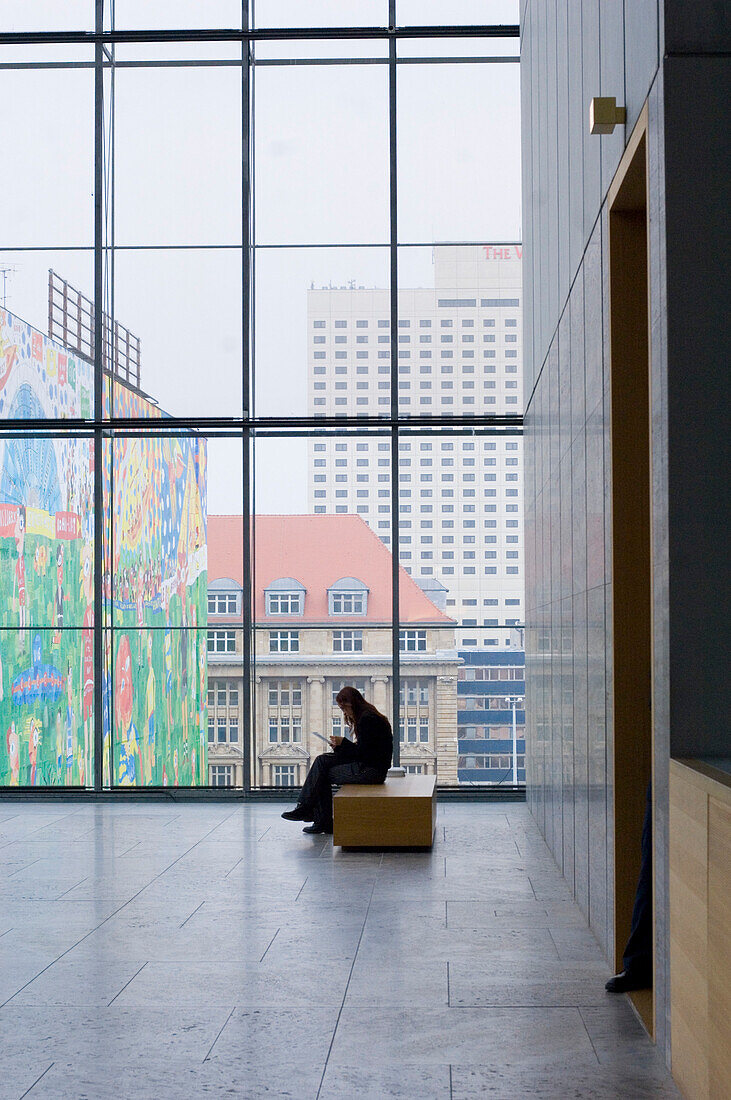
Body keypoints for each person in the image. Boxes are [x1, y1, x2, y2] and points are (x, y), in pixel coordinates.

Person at [281, 685, 393, 835]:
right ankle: (311, 812)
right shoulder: (369, 716)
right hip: (373, 767)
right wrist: (340, 746)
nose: (344, 712)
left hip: (371, 771)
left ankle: (316, 816)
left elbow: (363, 754)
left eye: (344, 708)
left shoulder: (367, 720)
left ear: (352, 704)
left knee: (322, 771)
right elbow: (365, 750)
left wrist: (343, 744)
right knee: (322, 762)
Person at [606, 781, 653, 992]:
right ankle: (639, 965)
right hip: (665, 783)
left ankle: (638, 964)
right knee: (650, 875)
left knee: (650, 876)